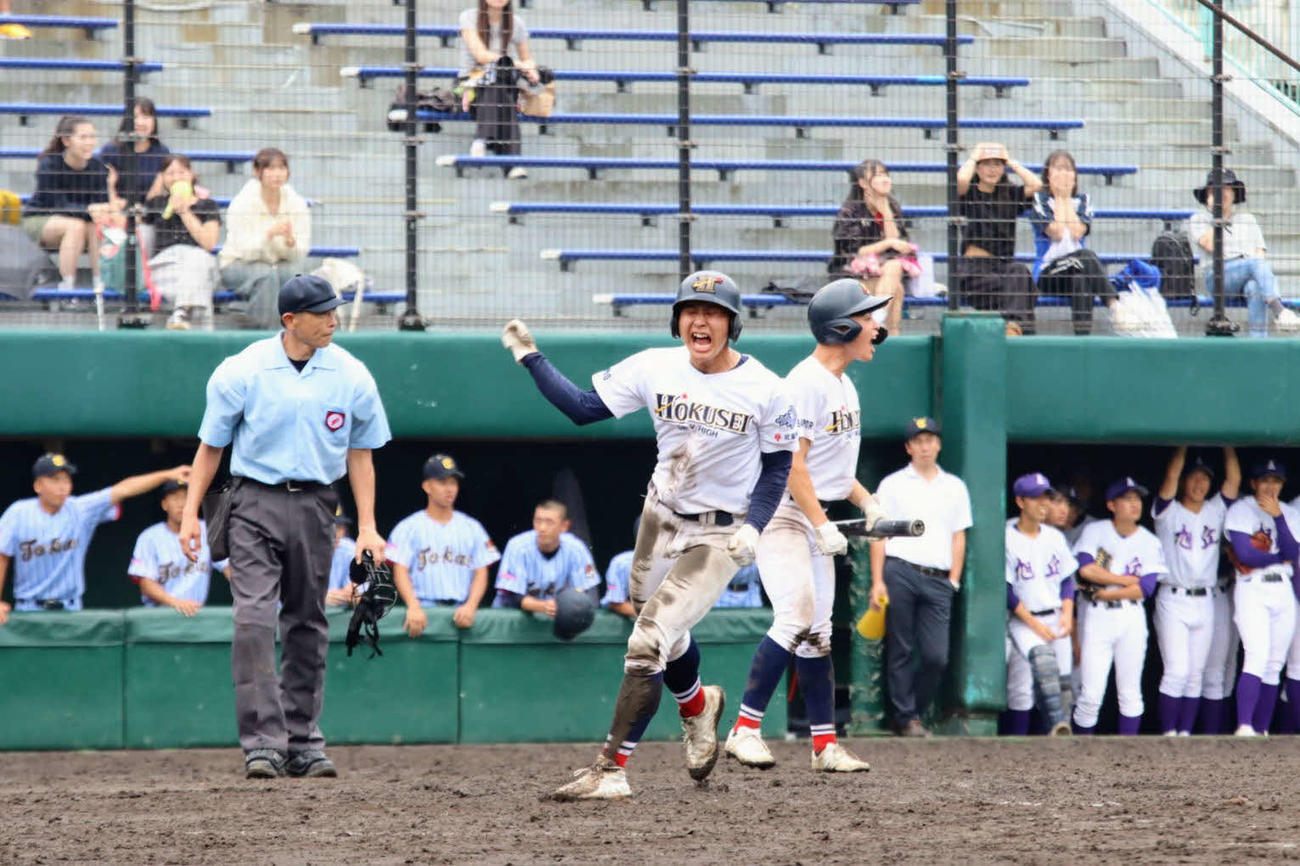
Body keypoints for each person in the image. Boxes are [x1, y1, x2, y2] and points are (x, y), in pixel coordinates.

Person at [500, 269, 796, 800]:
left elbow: (778, 468)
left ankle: (610, 771)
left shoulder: (767, 388)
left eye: (713, 313)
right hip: (660, 518)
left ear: (732, 324)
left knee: (645, 643)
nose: (700, 321)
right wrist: (530, 358)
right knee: (663, 629)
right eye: (690, 311)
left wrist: (755, 527)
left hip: (719, 534)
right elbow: (582, 409)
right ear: (677, 319)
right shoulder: (654, 365)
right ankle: (698, 707)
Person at [179, 274, 392, 779]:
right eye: (322, 313)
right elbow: (211, 447)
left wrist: (368, 527)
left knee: (307, 621)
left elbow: (361, 455)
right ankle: (263, 743)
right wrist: (189, 513)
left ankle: (303, 742)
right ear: (290, 320)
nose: (333, 320)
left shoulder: (352, 373)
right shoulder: (242, 370)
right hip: (252, 501)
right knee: (252, 619)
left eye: (334, 311)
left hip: (319, 504)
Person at [723, 279, 890, 773]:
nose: (877, 325)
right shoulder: (804, 383)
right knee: (795, 617)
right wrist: (821, 525)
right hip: (779, 513)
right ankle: (744, 730)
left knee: (818, 634)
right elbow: (793, 467)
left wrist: (866, 499)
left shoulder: (842, 383)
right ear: (842, 328)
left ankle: (824, 746)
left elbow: (831, 472)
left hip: (813, 513)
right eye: (867, 318)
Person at [870, 416, 973, 736]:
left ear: (939, 444)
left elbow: (959, 535)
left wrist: (953, 578)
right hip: (900, 569)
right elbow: (879, 534)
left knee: (935, 656)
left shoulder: (955, 486)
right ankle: (906, 718)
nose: (925, 446)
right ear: (908, 447)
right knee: (900, 648)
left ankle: (909, 711)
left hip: (939, 578)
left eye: (930, 440)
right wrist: (878, 580)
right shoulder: (892, 484)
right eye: (918, 441)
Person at [0, 454, 189, 623]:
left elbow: (123, 489)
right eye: (55, 479)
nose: (62, 486)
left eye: (66, 480)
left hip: (71, 609)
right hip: (29, 610)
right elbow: (2, 555)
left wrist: (168, 475)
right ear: (38, 485)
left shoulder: (80, 509)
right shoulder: (18, 513)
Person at [1151, 447, 1240, 736]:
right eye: (1193, 478)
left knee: (1195, 676)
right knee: (1176, 671)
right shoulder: (1167, 512)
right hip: (1172, 597)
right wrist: (1183, 443)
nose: (1199, 484)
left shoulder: (1215, 510)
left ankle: (1185, 735)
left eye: (1204, 478)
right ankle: (1168, 735)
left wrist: (1227, 444)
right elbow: (1170, 476)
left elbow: (1234, 481)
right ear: (1183, 482)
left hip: (1205, 600)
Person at [1071, 477, 1166, 734]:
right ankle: (1078, 755)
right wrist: (1123, 580)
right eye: (1127, 499)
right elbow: (1085, 569)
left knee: (1130, 693)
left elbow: (1145, 588)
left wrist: (1107, 593)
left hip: (1130, 618)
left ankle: (1127, 761)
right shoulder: (1096, 531)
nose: (1135, 504)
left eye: (1137, 498)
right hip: (1098, 619)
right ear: (1112, 505)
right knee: (1090, 695)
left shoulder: (1149, 540)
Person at [1223, 459, 1298, 736]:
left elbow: (1295, 549)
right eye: (1265, 480)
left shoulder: (1288, 512)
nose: (1270, 486)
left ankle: (1262, 728)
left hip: (1282, 588)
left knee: (1275, 663)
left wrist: (1278, 517)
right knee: (1256, 654)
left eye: (1276, 481)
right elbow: (1245, 553)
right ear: (1253, 483)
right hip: (1252, 586)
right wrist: (1280, 557)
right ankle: (1244, 726)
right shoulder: (1240, 509)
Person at [389, 453, 499, 633]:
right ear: (427, 486)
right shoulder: (408, 527)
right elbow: (400, 570)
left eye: (453, 482)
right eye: (443, 482)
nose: (450, 489)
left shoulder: (472, 527)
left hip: (462, 612)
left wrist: (471, 606)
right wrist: (413, 606)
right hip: (424, 611)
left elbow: (481, 572)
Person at [1003, 472, 1077, 737]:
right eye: (1037, 498)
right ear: (1021, 502)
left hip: (1055, 615)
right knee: (1026, 685)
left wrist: (1067, 615)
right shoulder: (1007, 536)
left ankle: (1057, 738)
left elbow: (1067, 580)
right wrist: (1034, 624)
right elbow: (1007, 591)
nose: (1044, 503)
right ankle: (1022, 744)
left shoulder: (1054, 537)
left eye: (1046, 497)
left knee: (1064, 685)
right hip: (1024, 619)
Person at [1188, 169, 1299, 339]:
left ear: (1234, 194)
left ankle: (1259, 342)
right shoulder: (1199, 219)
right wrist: (1217, 215)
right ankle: (1280, 311)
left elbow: (1260, 251)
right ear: (1208, 194)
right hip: (1218, 276)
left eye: (1227, 188)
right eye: (1216, 189)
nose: (1222, 193)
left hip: (1249, 273)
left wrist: (1252, 270)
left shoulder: (1248, 219)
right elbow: (1210, 245)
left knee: (1256, 286)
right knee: (1255, 264)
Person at [1029, 149, 1120, 336]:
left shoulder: (1083, 200)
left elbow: (1077, 232)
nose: (1064, 173)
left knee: (1081, 279)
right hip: (1049, 273)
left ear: (1075, 175)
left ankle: (1082, 339)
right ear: (1048, 174)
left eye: (1068, 169)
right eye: (1058, 169)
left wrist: (1067, 197)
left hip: (1077, 270)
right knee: (1086, 257)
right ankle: (1114, 305)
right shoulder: (1040, 200)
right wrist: (1060, 197)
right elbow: (1058, 233)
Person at [218, 148, 312, 329]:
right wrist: (268, 235)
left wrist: (290, 243)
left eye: (281, 168)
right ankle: (264, 333)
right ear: (257, 172)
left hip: (278, 263)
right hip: (238, 263)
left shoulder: (296, 203)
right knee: (267, 276)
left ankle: (295, 334)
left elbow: (301, 251)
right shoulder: (242, 203)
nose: (276, 174)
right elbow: (244, 251)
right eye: (270, 169)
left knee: (295, 278)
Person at [955, 142, 1043, 334]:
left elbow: (1036, 185)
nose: (992, 169)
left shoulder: (1009, 194)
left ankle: (1013, 328)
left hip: (1003, 271)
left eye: (997, 164)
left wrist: (1011, 162)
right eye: (986, 163)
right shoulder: (969, 194)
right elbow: (960, 181)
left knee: (1020, 274)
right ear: (977, 167)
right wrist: (974, 156)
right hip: (975, 273)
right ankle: (1020, 334)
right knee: (1023, 289)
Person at [21, 115, 115, 290]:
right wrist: (90, 210)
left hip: (81, 221)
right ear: (66, 140)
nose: (90, 142)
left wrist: (102, 208)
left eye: (92, 137)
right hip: (41, 219)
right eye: (83, 137)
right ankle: (66, 289)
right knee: (76, 226)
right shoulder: (49, 164)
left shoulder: (97, 166)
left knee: (95, 226)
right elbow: (57, 205)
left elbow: (102, 202)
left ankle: (100, 285)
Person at [829, 160, 919, 335]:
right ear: (863, 183)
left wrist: (885, 212)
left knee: (895, 268)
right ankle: (890, 336)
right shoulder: (851, 210)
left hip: (885, 273)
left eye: (886, 174)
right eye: (878, 175)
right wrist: (887, 243)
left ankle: (878, 320)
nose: (885, 179)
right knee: (896, 289)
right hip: (853, 274)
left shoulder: (891, 206)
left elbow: (897, 248)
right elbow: (854, 251)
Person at [458, 0, 540, 179]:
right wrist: (516, 64)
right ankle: (512, 164)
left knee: (501, 83)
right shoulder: (468, 17)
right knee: (501, 84)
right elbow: (481, 55)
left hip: (501, 85)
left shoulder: (515, 23)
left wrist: (531, 70)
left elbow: (527, 58)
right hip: (469, 86)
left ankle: (482, 139)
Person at [143, 155, 221, 331]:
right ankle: (185, 314)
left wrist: (184, 212)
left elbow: (209, 243)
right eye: (170, 173)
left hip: (199, 264)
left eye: (182, 172)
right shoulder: (155, 204)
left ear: (192, 175)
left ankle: (181, 312)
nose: (176, 177)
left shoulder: (207, 205)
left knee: (197, 259)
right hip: (165, 265)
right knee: (199, 284)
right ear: (162, 177)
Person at [130, 479, 229, 615]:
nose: (181, 504)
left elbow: (231, 569)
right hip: (158, 616)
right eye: (175, 498)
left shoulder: (208, 530)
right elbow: (146, 583)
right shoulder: (149, 537)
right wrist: (176, 603)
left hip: (196, 613)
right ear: (164, 504)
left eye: (186, 498)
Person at [492, 499, 598, 613]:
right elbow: (515, 596)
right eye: (538, 521)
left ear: (564, 526)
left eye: (549, 522)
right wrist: (544, 607)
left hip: (557, 614)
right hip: (513, 617)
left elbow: (583, 589)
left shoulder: (577, 548)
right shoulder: (517, 546)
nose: (542, 528)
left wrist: (568, 603)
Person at [99, 98, 170, 210]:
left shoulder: (162, 152)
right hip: (115, 212)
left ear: (154, 121)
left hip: (149, 213)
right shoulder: (111, 150)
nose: (140, 122)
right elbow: (103, 188)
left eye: (146, 117)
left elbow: (157, 195)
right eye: (135, 117)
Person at [324, 508, 357, 607]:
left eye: (340, 527)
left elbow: (359, 592)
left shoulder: (349, 548)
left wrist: (353, 593)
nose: (338, 533)